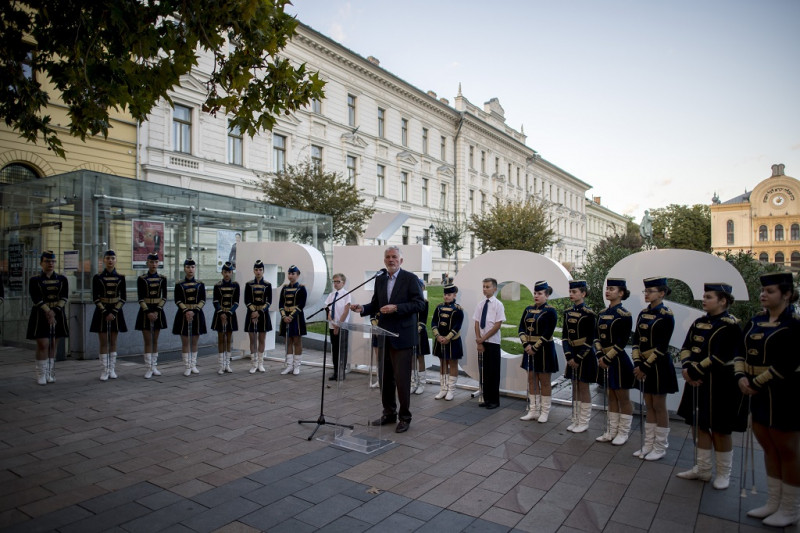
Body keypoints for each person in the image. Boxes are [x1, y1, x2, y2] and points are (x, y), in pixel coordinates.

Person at [736, 272, 800, 527]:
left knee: (788, 449)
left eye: (770, 291)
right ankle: (774, 502)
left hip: (784, 392)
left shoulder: (794, 324)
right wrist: (740, 376)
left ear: (786, 294)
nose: (764, 295)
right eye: (763, 291)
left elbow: (789, 361)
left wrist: (754, 383)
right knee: (768, 445)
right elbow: (740, 350)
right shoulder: (755, 321)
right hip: (757, 391)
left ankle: (791, 508)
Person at [676, 282, 745, 490]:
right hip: (697, 380)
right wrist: (687, 367)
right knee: (700, 424)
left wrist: (695, 371)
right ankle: (703, 468)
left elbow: (721, 355)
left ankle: (724, 473)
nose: (704, 300)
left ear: (723, 301)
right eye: (704, 296)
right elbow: (686, 347)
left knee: (721, 429)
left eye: (709, 297)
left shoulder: (731, 325)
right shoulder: (699, 322)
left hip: (721, 383)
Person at [350, 246, 426, 433]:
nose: (391, 260)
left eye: (394, 257)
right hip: (384, 335)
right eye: (388, 257)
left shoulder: (410, 279)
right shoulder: (380, 279)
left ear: (401, 261)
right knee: (385, 379)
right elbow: (377, 304)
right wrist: (363, 309)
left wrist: (396, 308)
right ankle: (389, 413)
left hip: (402, 337)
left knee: (401, 380)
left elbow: (419, 304)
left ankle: (405, 417)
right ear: (384, 260)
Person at [632, 276, 677, 461]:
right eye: (646, 291)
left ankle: (660, 446)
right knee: (648, 403)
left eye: (650, 291)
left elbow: (662, 346)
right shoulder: (643, 313)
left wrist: (644, 366)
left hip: (658, 365)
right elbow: (636, 340)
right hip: (642, 363)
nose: (647, 294)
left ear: (662, 293)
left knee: (659, 405)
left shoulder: (666, 315)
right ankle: (648, 444)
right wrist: (637, 363)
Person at [594, 278, 636, 445]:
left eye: (612, 289)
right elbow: (597, 336)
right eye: (607, 288)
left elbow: (622, 341)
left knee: (622, 397)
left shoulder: (624, 315)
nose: (608, 291)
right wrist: (599, 355)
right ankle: (611, 430)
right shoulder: (603, 313)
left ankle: (623, 432)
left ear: (621, 293)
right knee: (610, 395)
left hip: (617, 361)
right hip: (604, 359)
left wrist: (607, 357)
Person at [26, 251, 69, 385]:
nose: (50, 264)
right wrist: (48, 311)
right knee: (43, 344)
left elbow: (64, 297)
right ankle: (41, 373)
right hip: (40, 314)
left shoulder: (62, 279)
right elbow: (36, 297)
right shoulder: (35, 280)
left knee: (53, 345)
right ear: (41, 263)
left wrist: (54, 311)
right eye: (47, 261)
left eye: (52, 261)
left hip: (57, 313)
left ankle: (50, 372)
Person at [518, 280, 557, 422]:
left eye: (539, 293)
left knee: (544, 380)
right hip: (529, 348)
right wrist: (526, 344)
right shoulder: (528, 309)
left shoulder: (550, 311)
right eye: (535, 293)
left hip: (544, 349)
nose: (536, 296)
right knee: (531, 378)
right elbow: (521, 328)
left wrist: (535, 347)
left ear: (546, 296)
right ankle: (533, 410)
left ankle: (545, 411)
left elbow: (548, 332)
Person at [562, 280, 598, 433]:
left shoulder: (589, 314)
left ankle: (583, 421)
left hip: (584, 355)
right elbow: (564, 336)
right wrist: (569, 355)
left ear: (583, 294)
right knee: (575, 386)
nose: (571, 294)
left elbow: (591, 339)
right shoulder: (568, 312)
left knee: (583, 387)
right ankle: (575, 418)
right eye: (570, 291)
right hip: (572, 352)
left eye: (575, 292)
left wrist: (577, 358)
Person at [90, 250, 127, 381]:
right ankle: (104, 369)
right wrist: (105, 312)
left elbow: (123, 298)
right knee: (103, 342)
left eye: (112, 258)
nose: (110, 260)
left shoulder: (121, 277)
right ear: (104, 260)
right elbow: (95, 298)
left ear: (116, 260)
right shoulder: (97, 277)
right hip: (102, 311)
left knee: (113, 341)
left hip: (116, 311)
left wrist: (114, 312)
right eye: (108, 258)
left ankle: (112, 369)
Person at [475, 277, 506, 410]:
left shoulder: (498, 304)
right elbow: (476, 322)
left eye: (487, 287)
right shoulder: (481, 304)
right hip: (482, 342)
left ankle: (494, 400)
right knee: (484, 372)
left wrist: (483, 338)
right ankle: (486, 398)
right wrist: (478, 339)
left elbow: (497, 325)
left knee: (493, 372)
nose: (485, 289)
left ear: (494, 289)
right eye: (483, 287)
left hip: (492, 342)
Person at [135, 253, 167, 379]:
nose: (153, 265)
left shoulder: (162, 278)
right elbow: (140, 297)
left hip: (158, 311)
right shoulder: (141, 279)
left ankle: (154, 366)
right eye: (151, 262)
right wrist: (148, 312)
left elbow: (164, 297)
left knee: (155, 340)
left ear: (158, 263)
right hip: (145, 311)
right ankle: (148, 368)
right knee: (148, 340)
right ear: (147, 263)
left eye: (155, 262)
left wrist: (157, 311)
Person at [173, 258, 207, 376]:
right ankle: (187, 366)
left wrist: (194, 311)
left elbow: (203, 300)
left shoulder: (200, 284)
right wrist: (186, 311)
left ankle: (193, 365)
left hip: (196, 314)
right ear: (184, 268)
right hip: (183, 314)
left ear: (195, 268)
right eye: (188, 267)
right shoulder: (179, 284)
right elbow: (177, 300)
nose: (190, 269)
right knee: (185, 341)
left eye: (192, 267)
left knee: (194, 341)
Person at [431, 283, 464, 401]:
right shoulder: (439, 307)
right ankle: (443, 389)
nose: (446, 297)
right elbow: (434, 322)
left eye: (449, 294)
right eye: (445, 294)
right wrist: (438, 336)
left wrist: (448, 337)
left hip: (453, 340)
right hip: (440, 340)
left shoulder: (458, 310)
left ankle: (451, 390)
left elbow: (457, 326)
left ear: (454, 295)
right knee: (443, 362)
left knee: (453, 363)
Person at [244, 260, 272, 374]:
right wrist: (253, 311)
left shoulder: (267, 285)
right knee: (252, 339)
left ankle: (260, 363)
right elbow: (247, 300)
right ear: (253, 271)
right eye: (256, 270)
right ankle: (253, 363)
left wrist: (259, 312)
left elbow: (269, 301)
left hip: (263, 314)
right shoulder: (249, 284)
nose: (258, 272)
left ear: (263, 271)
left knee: (261, 339)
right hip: (251, 313)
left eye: (260, 270)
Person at [212, 261, 240, 375]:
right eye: (225, 272)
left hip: (230, 315)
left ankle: (227, 364)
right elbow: (215, 301)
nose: (227, 274)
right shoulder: (217, 285)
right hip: (220, 314)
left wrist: (228, 313)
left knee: (228, 339)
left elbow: (237, 302)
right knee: (220, 339)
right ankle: (221, 365)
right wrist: (221, 313)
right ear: (222, 273)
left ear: (232, 272)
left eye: (229, 272)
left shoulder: (235, 285)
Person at [279, 265, 307, 375]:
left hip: (296, 318)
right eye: (289, 273)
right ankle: (289, 366)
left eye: (293, 274)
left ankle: (297, 366)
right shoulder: (284, 288)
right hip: (285, 317)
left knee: (297, 341)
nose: (291, 276)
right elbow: (281, 303)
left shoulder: (301, 288)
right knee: (288, 341)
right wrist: (283, 316)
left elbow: (301, 304)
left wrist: (290, 316)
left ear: (298, 275)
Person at [326, 273, 351, 381]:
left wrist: (338, 325)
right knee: (335, 349)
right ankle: (335, 372)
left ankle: (341, 372)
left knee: (342, 350)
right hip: (332, 325)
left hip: (342, 326)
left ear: (343, 283)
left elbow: (346, 311)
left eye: (338, 281)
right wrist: (332, 322)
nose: (335, 284)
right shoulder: (331, 295)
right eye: (334, 281)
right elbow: (327, 309)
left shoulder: (346, 294)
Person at [412, 278, 431, 394]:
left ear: (422, 288)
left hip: (419, 332)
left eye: (419, 287)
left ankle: (421, 384)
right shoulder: (410, 301)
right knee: (410, 358)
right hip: (410, 332)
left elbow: (423, 319)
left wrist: (418, 328)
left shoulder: (425, 302)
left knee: (420, 357)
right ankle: (412, 382)